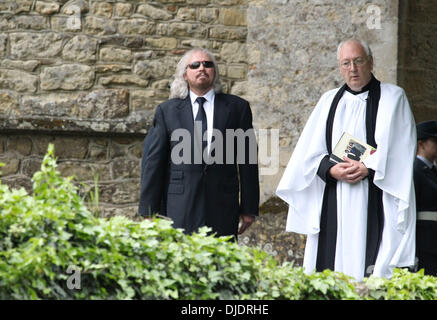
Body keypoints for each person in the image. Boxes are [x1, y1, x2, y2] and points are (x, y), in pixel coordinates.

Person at [276, 39, 417, 281]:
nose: (353, 68)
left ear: (371, 62)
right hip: (335, 196)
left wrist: (368, 167)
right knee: (331, 268)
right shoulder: (328, 101)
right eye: (346, 63)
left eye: (358, 61)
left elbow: (403, 146)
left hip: (376, 193)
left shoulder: (394, 98)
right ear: (340, 67)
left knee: (372, 267)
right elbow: (308, 154)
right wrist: (331, 171)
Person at [138, 48, 259, 237]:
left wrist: (249, 207)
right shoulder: (167, 111)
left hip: (222, 205)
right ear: (185, 75)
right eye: (195, 65)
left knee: (221, 263)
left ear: (214, 72)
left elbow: (248, 160)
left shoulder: (237, 108)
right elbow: (153, 163)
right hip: (179, 206)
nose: (202, 68)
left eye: (207, 64)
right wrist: (148, 210)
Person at [414, 120, 437, 275]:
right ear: (421, 144)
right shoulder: (415, 170)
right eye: (435, 141)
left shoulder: (432, 169)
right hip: (424, 241)